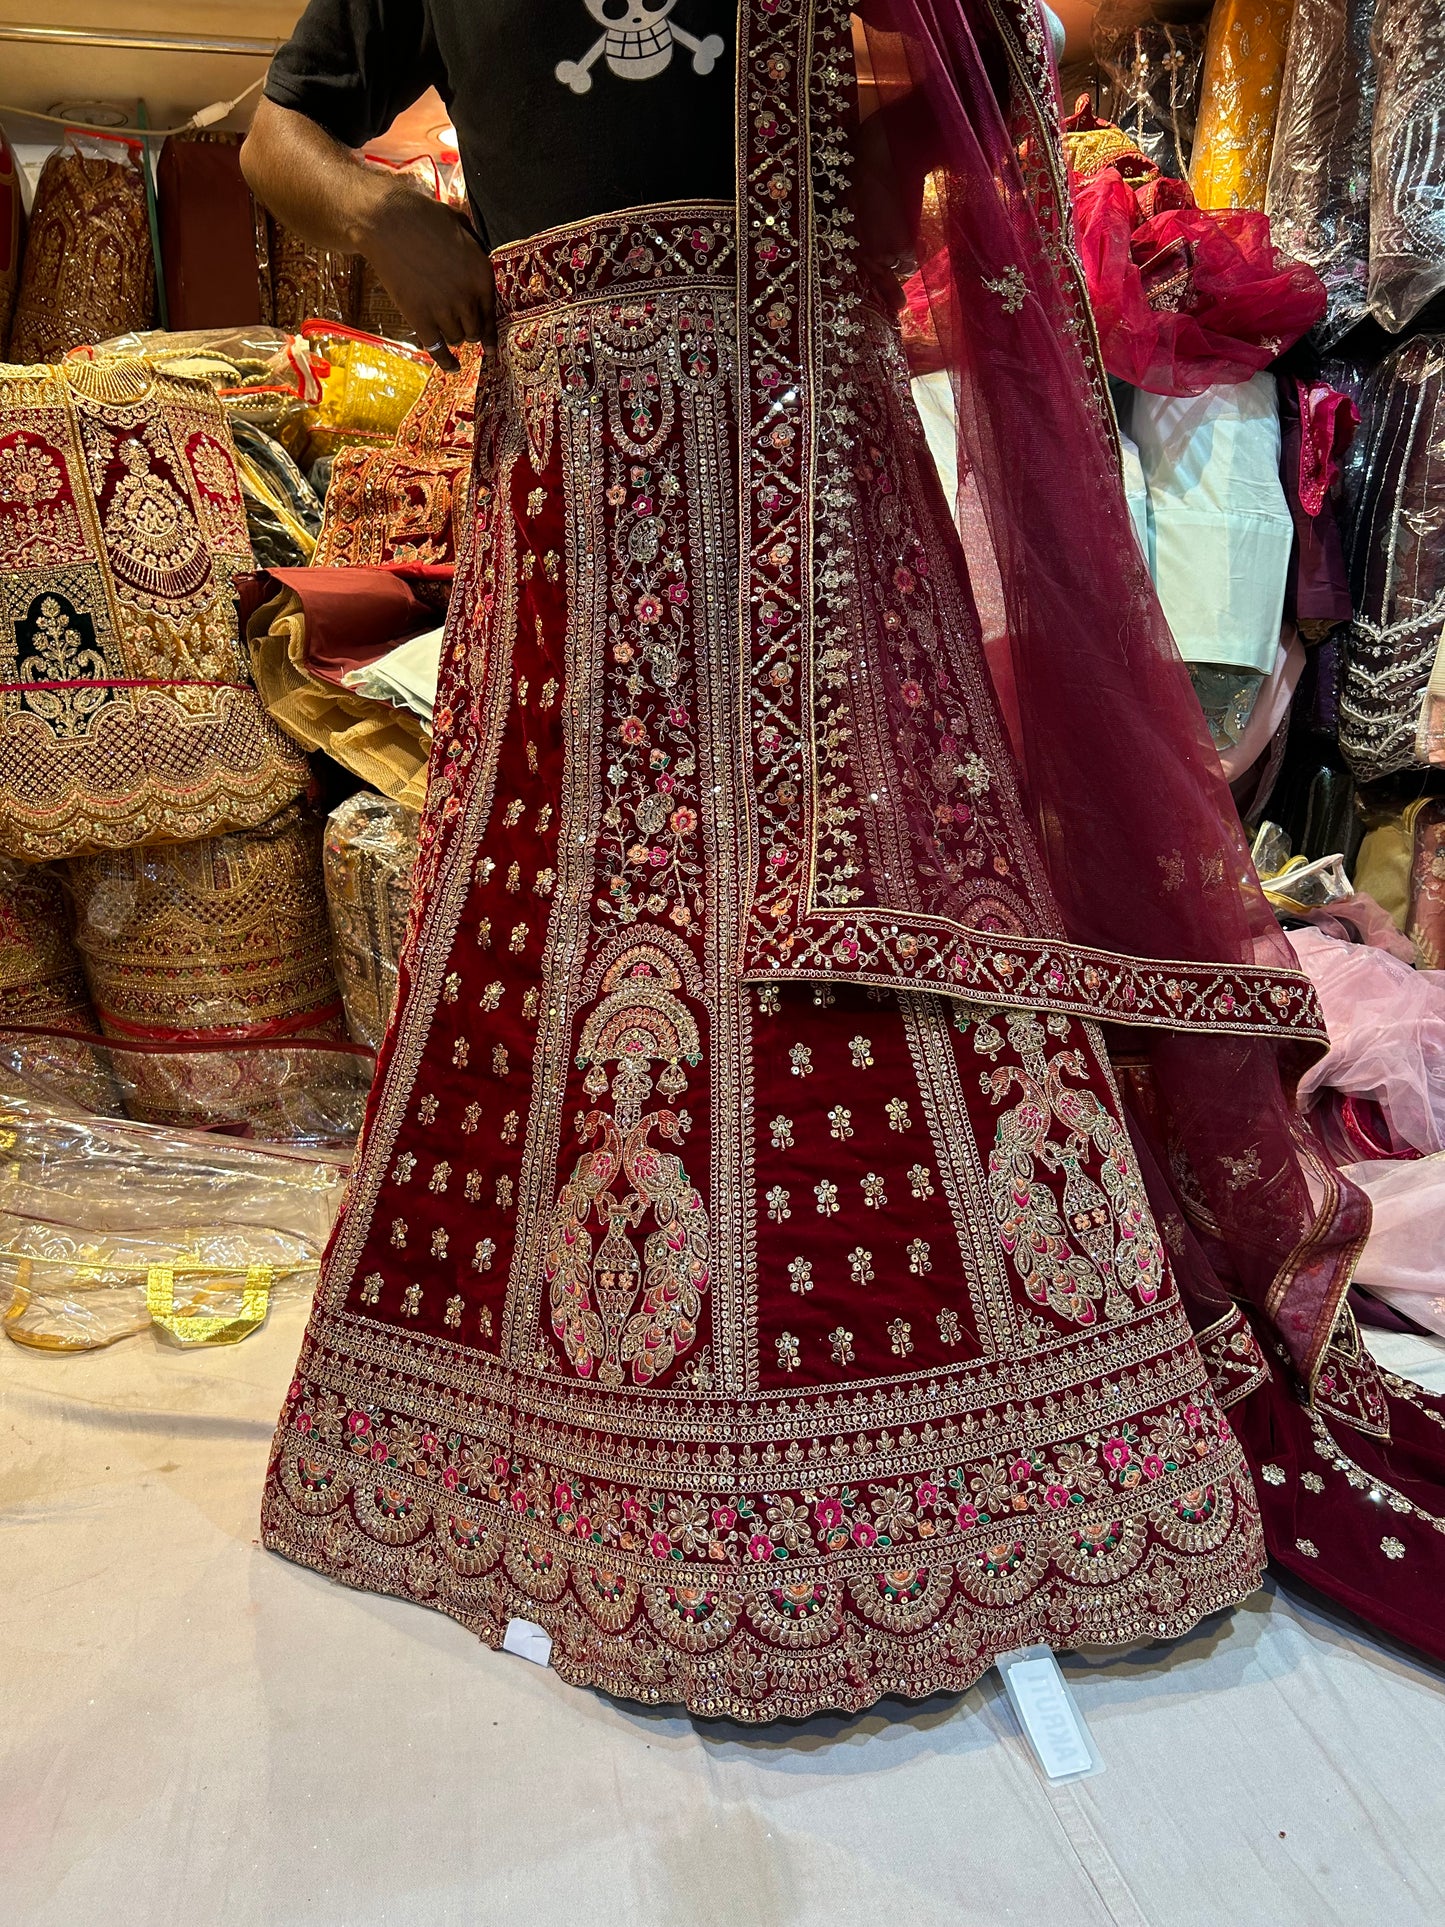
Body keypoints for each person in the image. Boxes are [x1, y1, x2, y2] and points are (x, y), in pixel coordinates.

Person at [248, 0, 1445, 1718]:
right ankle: (545, 1440)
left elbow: (969, 128)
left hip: (814, 476)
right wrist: (381, 220)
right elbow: (271, 129)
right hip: (565, 479)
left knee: (885, 893)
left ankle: (981, 1460)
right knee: (554, 922)